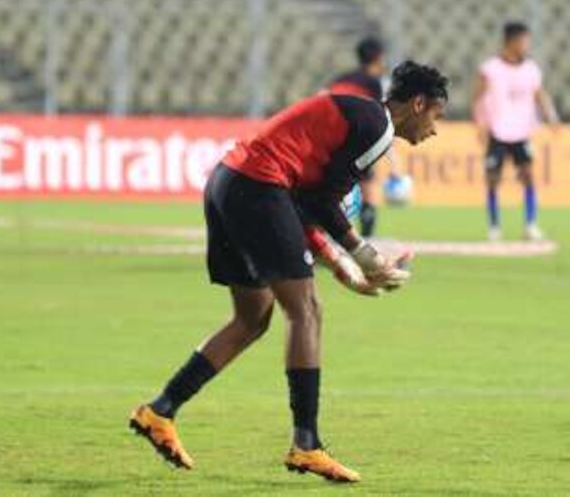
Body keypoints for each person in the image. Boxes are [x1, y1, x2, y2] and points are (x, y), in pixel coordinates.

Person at [129, 61, 449, 484]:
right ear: (418, 103)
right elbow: (317, 203)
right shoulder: (377, 128)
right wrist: (362, 253)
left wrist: (344, 268)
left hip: (228, 183)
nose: (436, 128)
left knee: (252, 317)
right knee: (307, 312)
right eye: (437, 116)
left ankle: (159, 411)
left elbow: (302, 203)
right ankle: (307, 445)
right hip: (258, 187)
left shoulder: (361, 116)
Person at [472, 22, 560, 242]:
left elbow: (540, 94)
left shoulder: (531, 69)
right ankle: (494, 227)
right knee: (493, 178)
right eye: (523, 40)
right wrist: (480, 124)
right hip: (497, 130)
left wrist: (551, 116)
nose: (526, 45)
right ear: (511, 42)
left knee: (529, 176)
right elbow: (477, 97)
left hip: (522, 131)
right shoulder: (491, 68)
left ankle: (530, 225)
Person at [327, 37, 392, 237]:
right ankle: (367, 238)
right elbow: (378, 115)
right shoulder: (374, 83)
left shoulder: (339, 80)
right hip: (357, 138)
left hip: (330, 138)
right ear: (379, 58)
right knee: (368, 188)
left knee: (330, 192)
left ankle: (328, 237)